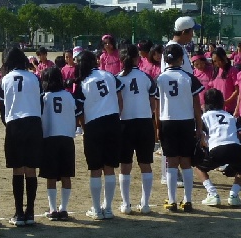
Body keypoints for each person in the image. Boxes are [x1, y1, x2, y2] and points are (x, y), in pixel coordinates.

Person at [0, 46, 43, 226]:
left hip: (15, 124)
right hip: (34, 122)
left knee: (17, 169)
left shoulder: (4, 80)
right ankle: (30, 212)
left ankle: (19, 213)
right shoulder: (35, 78)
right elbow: (41, 103)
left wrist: (8, 124)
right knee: (31, 169)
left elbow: (1, 107)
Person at [155, 43, 204, 211]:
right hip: (186, 121)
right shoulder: (188, 77)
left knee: (171, 162)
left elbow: (157, 106)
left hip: (167, 121)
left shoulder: (160, 78)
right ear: (181, 59)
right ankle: (187, 200)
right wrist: (199, 126)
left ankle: (172, 200)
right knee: (186, 162)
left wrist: (157, 126)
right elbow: (197, 105)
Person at [75, 49, 123, 220]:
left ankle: (96, 209)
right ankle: (108, 208)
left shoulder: (83, 82)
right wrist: (116, 116)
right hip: (113, 122)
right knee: (109, 167)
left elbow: (79, 111)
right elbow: (120, 98)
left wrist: (85, 128)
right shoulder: (109, 76)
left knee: (95, 168)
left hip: (94, 125)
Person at [116, 44, 157, 214]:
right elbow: (153, 103)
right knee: (145, 164)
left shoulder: (117, 78)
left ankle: (126, 204)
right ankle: (145, 204)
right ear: (137, 58)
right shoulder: (146, 77)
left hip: (125, 124)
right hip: (144, 123)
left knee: (125, 165)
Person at [194, 89, 241, 208]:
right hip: (236, 148)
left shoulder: (205, 117)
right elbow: (238, 134)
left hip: (217, 149)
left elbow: (200, 136)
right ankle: (234, 195)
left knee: (198, 167)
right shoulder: (230, 116)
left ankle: (212, 193)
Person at [39, 67, 79, 221]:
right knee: (66, 175)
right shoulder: (68, 95)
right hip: (67, 138)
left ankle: (53, 208)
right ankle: (64, 208)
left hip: (50, 138)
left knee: (50, 176)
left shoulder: (45, 97)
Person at [209, 47, 239, 114]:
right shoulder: (215, 71)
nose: (217, 63)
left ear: (224, 57)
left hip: (229, 108)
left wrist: (226, 102)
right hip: (216, 108)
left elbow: (237, 90)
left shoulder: (233, 70)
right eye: (215, 61)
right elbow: (211, 88)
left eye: (219, 60)